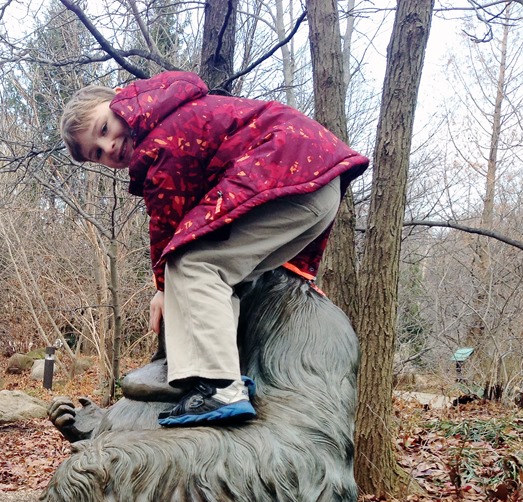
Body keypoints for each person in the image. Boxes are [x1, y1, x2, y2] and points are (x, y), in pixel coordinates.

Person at [60, 71, 369, 427]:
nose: (109, 147)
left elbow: (168, 224)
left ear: (120, 98)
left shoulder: (162, 137)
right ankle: (214, 371)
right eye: (98, 153)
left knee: (193, 264)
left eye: (104, 129)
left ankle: (220, 386)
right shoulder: (174, 112)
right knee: (223, 274)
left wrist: (163, 288)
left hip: (291, 177)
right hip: (315, 184)